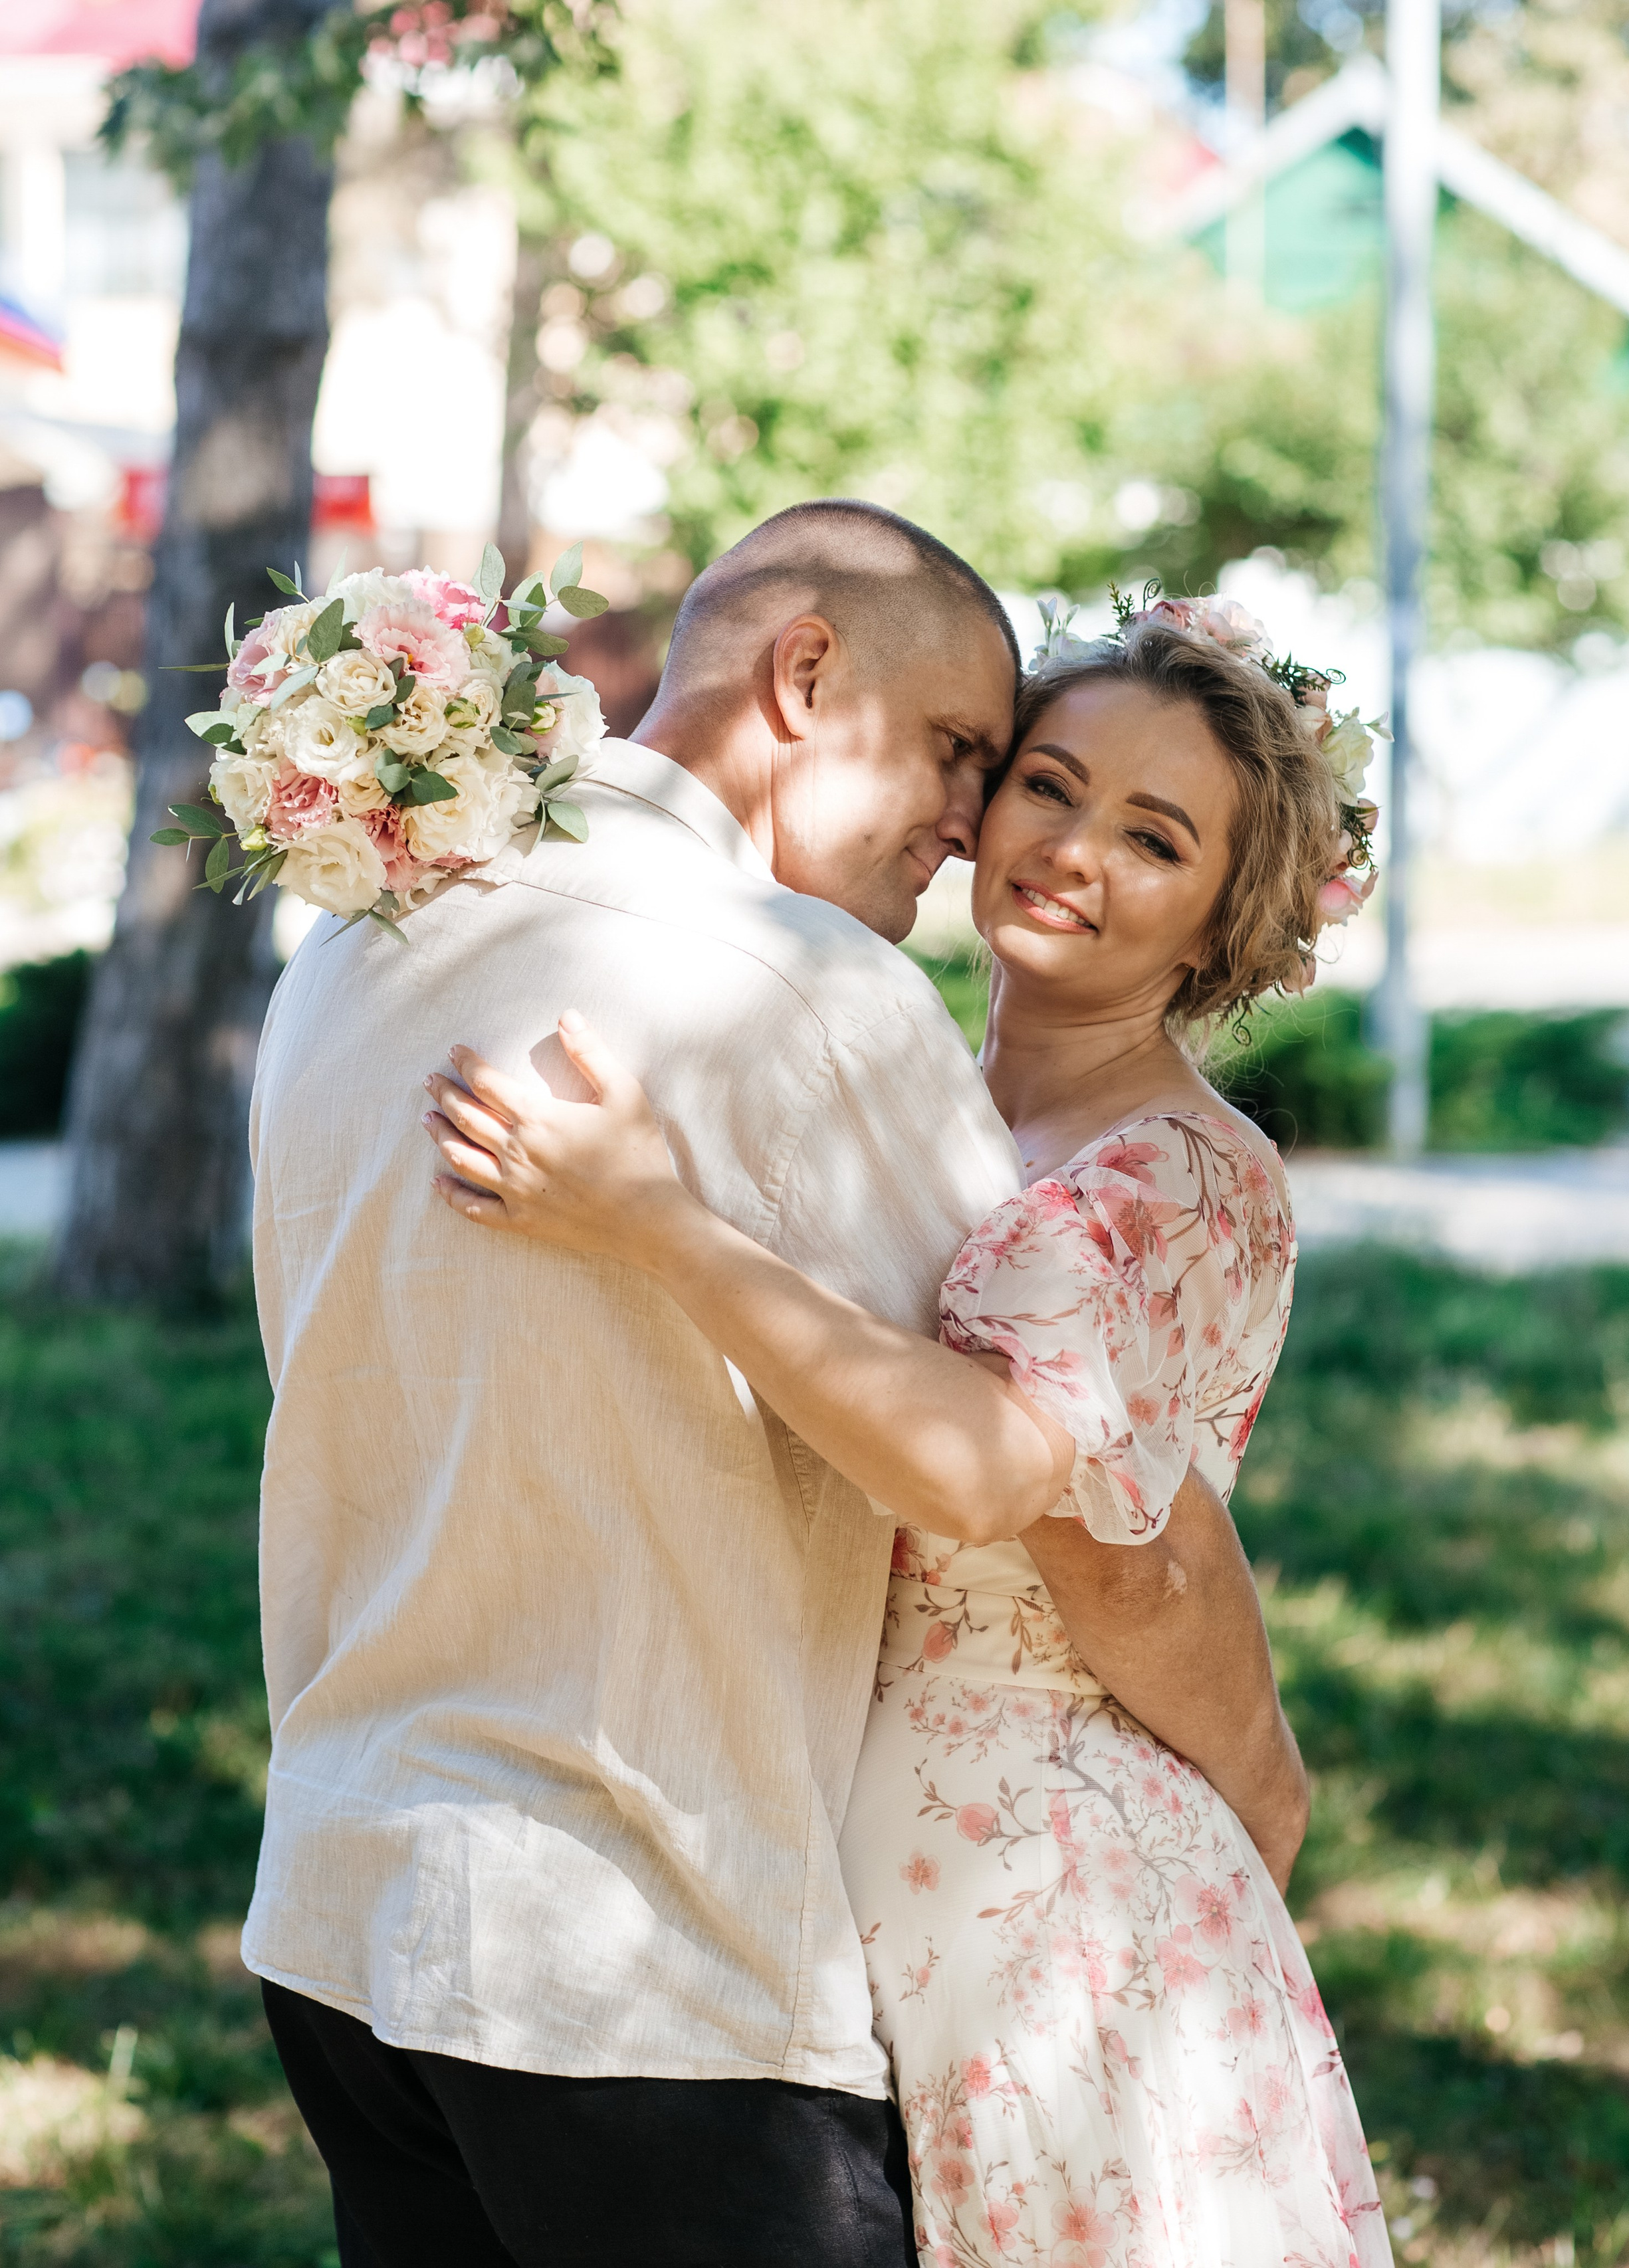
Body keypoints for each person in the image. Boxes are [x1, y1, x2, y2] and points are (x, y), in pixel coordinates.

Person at [243, 501, 1278, 2268]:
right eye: (963, 752)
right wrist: (1261, 1772)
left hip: (341, 1925)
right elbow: (1042, 1499)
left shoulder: (360, 938)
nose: (966, 830)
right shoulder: (808, 995)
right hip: (641, 1974)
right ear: (803, 674)